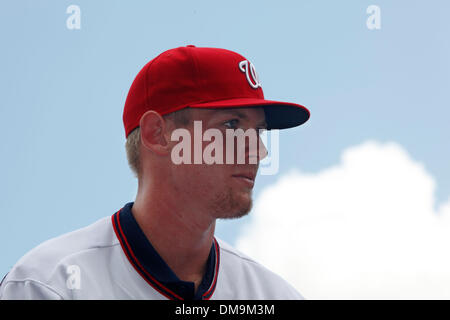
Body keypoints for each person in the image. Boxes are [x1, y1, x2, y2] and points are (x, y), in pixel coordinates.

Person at [0, 45, 310, 300]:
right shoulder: (48, 284)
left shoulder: (274, 295)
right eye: (231, 125)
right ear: (157, 135)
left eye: (259, 131)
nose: (259, 151)